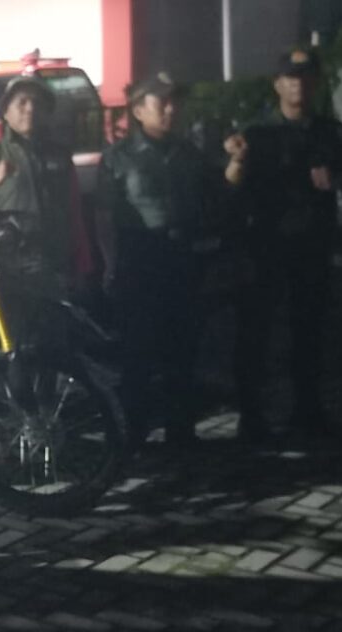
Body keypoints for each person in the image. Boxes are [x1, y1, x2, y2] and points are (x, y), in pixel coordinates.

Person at [224, 49, 342, 442]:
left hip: (311, 250)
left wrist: (339, 179)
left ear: (316, 84)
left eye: (306, 78)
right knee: (255, 333)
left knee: (309, 332)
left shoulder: (331, 132)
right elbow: (230, 189)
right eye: (291, 78)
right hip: (265, 249)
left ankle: (307, 412)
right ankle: (252, 417)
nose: (298, 85)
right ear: (278, 84)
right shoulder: (255, 133)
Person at [98, 72, 216, 449]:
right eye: (161, 102)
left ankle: (182, 431)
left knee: (183, 347)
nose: (171, 109)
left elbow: (211, 198)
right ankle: (134, 434)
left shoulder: (190, 153)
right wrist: (110, 264)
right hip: (140, 258)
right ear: (138, 110)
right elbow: (104, 217)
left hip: (182, 257)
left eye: (173, 102)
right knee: (139, 351)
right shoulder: (118, 157)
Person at [0, 75, 94, 313]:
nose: (30, 108)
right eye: (21, 102)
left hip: (56, 264)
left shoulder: (60, 156)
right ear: (5, 112)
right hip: (10, 270)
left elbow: (74, 212)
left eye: (37, 103)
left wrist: (82, 263)